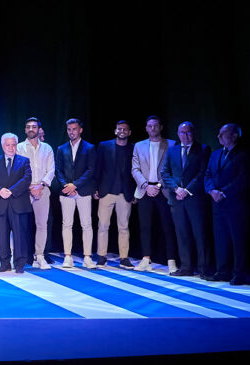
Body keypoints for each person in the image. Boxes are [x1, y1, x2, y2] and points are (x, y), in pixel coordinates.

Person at [162, 121, 212, 277]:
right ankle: (186, 267)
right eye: (182, 133)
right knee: (182, 234)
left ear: (193, 133)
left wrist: (187, 190)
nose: (185, 135)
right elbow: (165, 173)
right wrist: (177, 189)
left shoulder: (203, 149)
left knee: (200, 234)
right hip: (176, 199)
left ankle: (204, 269)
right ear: (178, 134)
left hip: (194, 199)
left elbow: (203, 173)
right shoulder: (172, 150)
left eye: (188, 132)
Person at [204, 123, 250, 285]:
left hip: (235, 205)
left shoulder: (244, 154)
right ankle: (222, 271)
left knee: (238, 240)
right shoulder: (215, 154)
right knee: (220, 239)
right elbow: (208, 175)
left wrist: (223, 192)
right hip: (217, 204)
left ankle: (239, 273)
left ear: (234, 136)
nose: (219, 137)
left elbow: (243, 178)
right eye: (218, 134)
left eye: (222, 134)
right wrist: (212, 191)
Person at [131, 115, 178, 273]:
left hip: (163, 190)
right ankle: (146, 259)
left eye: (156, 126)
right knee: (145, 227)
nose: (153, 129)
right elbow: (135, 169)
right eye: (150, 126)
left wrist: (158, 185)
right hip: (145, 190)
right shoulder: (138, 145)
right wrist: (146, 185)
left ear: (161, 127)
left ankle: (171, 261)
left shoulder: (171, 144)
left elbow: (172, 169)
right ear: (146, 128)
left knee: (167, 226)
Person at [0, 133, 33, 273]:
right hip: (0, 204)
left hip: (18, 203)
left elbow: (27, 179)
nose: (11, 147)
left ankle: (19, 264)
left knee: (20, 235)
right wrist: (0, 190)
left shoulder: (24, 161)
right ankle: (4, 263)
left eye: (13, 144)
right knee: (2, 236)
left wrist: (11, 191)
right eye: (8, 145)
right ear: (2, 146)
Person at [94, 120, 136, 268]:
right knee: (103, 225)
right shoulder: (104, 146)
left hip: (125, 193)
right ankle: (101, 256)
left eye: (125, 129)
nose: (122, 131)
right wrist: (95, 189)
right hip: (106, 192)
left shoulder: (133, 148)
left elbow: (136, 172)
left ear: (129, 132)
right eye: (119, 129)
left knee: (124, 227)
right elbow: (97, 168)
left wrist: (135, 193)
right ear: (115, 131)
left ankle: (124, 258)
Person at [55, 118, 97, 269]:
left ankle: (87, 257)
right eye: (69, 129)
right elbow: (58, 170)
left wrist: (76, 185)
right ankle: (68, 257)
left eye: (74, 129)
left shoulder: (89, 148)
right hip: (66, 191)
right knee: (67, 224)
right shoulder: (61, 148)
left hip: (83, 190)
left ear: (80, 130)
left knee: (86, 224)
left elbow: (91, 170)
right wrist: (67, 186)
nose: (71, 132)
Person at [17, 117, 55, 270]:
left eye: (34, 126)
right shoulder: (19, 147)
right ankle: (20, 256)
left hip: (42, 189)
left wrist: (41, 185)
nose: (31, 129)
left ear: (39, 129)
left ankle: (40, 256)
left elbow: (51, 170)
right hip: (25, 190)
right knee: (21, 225)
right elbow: (18, 170)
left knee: (41, 224)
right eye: (28, 127)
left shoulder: (47, 148)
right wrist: (30, 187)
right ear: (25, 130)